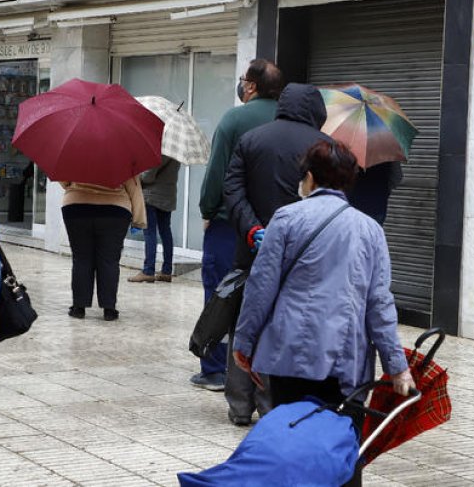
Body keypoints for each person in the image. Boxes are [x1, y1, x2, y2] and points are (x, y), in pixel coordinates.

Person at [233, 140, 414, 487]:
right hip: (346, 361)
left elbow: (261, 288)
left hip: (288, 357)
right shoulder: (370, 230)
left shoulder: (286, 219)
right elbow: (380, 304)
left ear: (311, 178)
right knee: (342, 445)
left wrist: (244, 343)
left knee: (291, 439)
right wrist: (397, 366)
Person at [222, 82, 331, 425]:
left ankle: (239, 405)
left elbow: (232, 188)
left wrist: (253, 230)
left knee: (245, 321)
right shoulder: (325, 147)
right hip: (302, 255)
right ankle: (271, 404)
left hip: (252, 249)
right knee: (282, 327)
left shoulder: (252, 138)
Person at [191, 58, 284, 393]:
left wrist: (207, 209)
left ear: (252, 86)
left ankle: (214, 369)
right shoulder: (289, 121)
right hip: (277, 230)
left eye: (245, 79)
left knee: (220, 294)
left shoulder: (234, 118)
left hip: (228, 225)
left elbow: (217, 172)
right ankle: (260, 373)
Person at [60, 176, 146, 321]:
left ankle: (78, 308)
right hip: (114, 210)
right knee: (109, 260)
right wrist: (139, 220)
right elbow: (134, 187)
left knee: (81, 258)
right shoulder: (124, 155)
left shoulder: (75, 153)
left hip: (77, 208)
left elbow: (64, 181)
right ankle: (109, 309)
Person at [130, 154, 180, 283]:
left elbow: (148, 176)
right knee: (165, 231)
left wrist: (136, 175)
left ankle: (148, 270)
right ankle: (166, 270)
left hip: (152, 197)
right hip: (168, 197)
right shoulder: (175, 151)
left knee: (150, 232)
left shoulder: (162, 150)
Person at [346, 160, 403, 225]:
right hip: (378, 204)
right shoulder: (390, 153)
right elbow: (397, 178)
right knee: (374, 233)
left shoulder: (352, 153)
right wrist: (385, 189)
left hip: (355, 204)